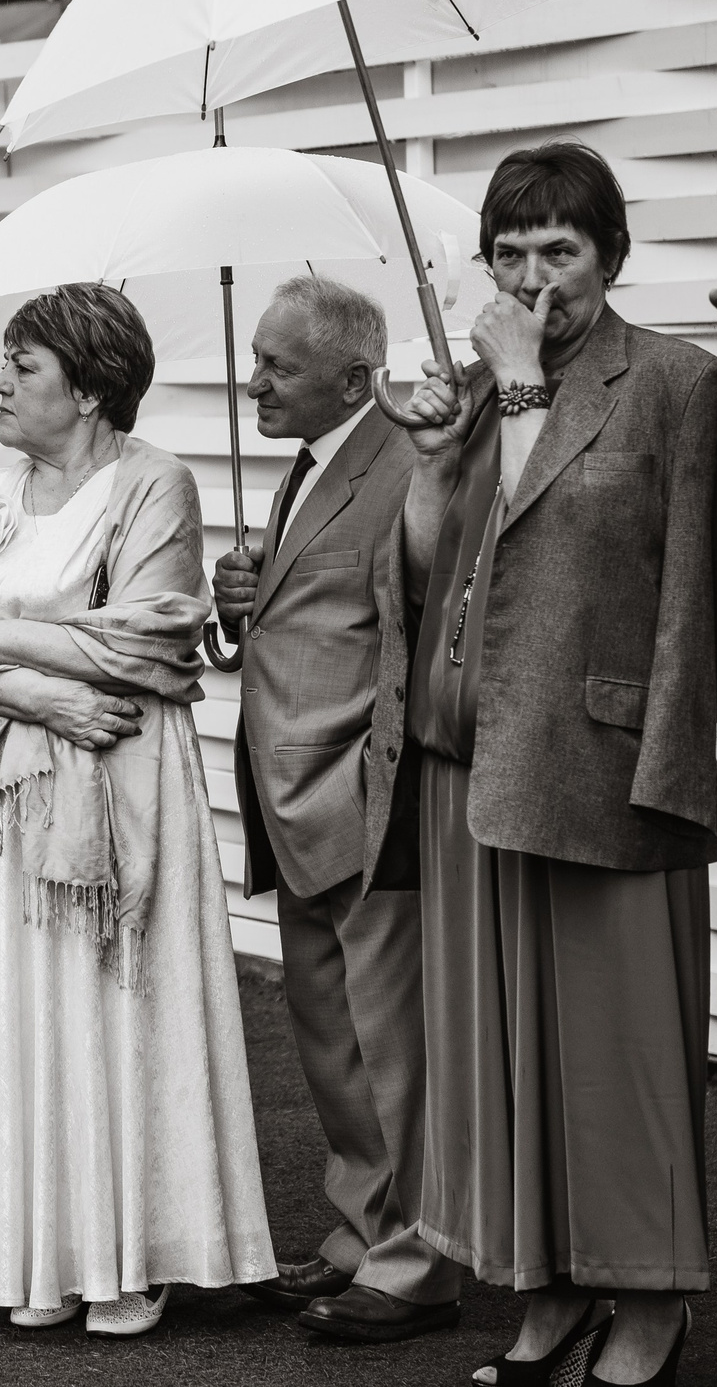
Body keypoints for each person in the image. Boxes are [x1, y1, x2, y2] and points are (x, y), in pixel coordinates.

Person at [396, 143, 717, 1387]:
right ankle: (548, 1293)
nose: (531, 276)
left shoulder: (679, 383)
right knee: (511, 1060)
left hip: (613, 764)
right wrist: (442, 445)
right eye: (508, 252)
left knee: (622, 1057)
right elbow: (432, 567)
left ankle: (653, 1306)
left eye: (558, 249)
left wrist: (666, 739)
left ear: (610, 255)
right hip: (477, 761)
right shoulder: (476, 391)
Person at [0, 284, 275, 1340]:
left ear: (85, 388)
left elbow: (148, 639)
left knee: (109, 1006)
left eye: (21, 368)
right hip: (1, 796)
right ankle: (36, 1247)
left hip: (114, 793)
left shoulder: (152, 482)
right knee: (15, 1009)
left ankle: (126, 1250)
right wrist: (33, 689)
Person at [208, 276, 456, 1344]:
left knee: (388, 1040)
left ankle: (416, 1260)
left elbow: (425, 613)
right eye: (256, 355)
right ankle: (359, 1230)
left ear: (355, 377)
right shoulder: (310, 464)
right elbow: (310, 608)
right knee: (328, 1035)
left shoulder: (405, 458)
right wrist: (241, 598)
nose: (250, 378)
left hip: (366, 789)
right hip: (288, 793)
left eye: (276, 364)